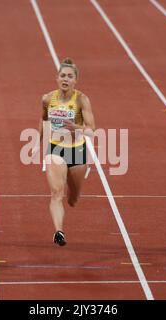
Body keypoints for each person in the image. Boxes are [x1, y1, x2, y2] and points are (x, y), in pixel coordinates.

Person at [33, 58, 96, 246]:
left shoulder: (82, 100)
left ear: (75, 80)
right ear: (57, 78)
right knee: (56, 193)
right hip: (55, 149)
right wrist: (38, 142)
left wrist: (76, 127)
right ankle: (58, 232)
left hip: (77, 150)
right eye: (63, 75)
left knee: (73, 198)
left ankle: (73, 195)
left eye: (70, 76)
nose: (65, 79)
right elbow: (43, 119)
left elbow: (92, 130)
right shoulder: (47, 99)